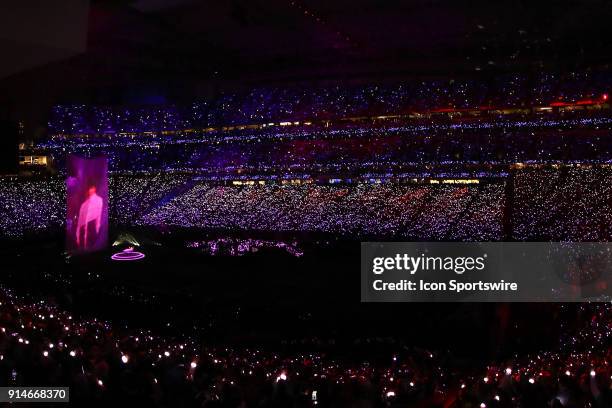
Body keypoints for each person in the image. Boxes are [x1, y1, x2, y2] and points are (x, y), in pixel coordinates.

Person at [76, 185, 103, 249]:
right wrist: (78, 236)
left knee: (92, 245)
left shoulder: (99, 200)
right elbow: (80, 221)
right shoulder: (84, 204)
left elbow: (99, 216)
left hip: (92, 225)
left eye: (92, 189)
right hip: (85, 227)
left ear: (94, 189)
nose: (90, 191)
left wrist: (97, 228)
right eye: (89, 190)